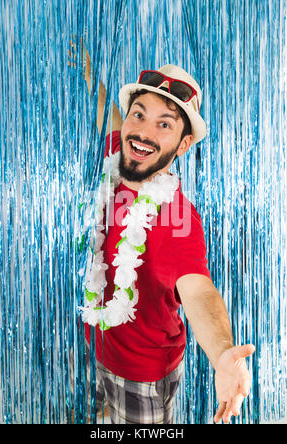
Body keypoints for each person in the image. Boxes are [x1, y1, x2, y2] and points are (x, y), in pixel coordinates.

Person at [77, 47, 255, 424]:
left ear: (183, 144)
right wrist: (90, 73)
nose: (143, 131)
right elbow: (107, 117)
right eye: (138, 115)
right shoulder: (122, 156)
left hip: (143, 375)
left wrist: (222, 351)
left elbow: (200, 292)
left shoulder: (178, 219)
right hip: (98, 344)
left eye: (165, 124)